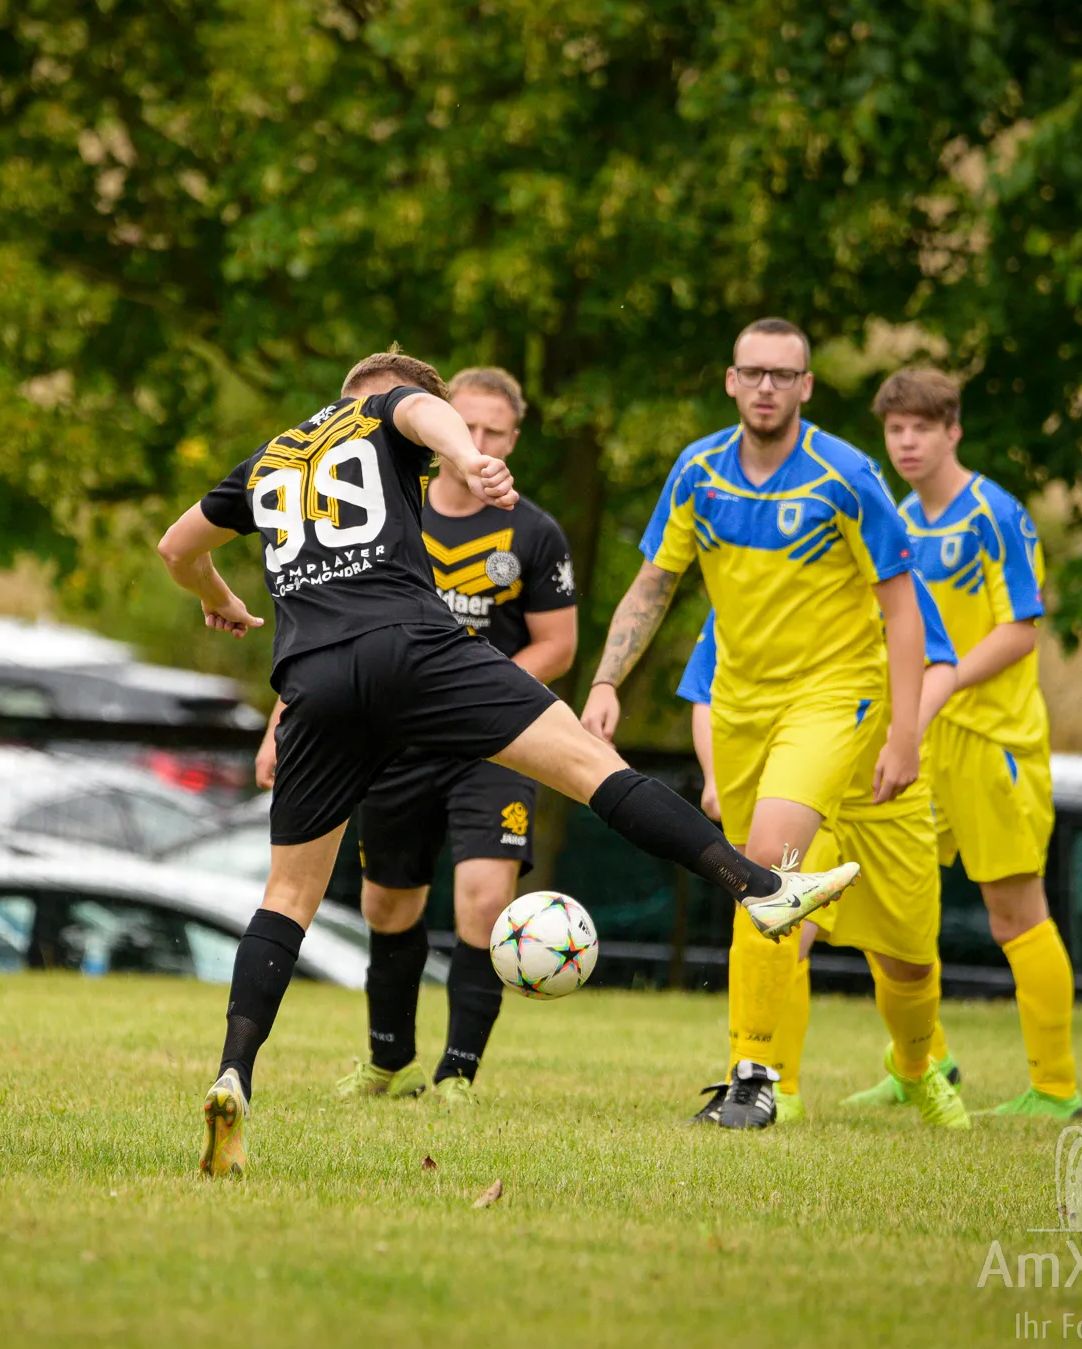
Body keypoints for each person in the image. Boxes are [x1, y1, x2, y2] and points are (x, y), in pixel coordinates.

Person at [157, 351, 856, 1176]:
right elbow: (421, 413)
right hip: (411, 647)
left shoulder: (270, 457)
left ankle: (234, 1073)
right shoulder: (388, 410)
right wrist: (465, 454)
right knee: (592, 767)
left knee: (288, 895)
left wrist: (218, 596)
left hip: (312, 677)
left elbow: (177, 546)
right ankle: (761, 887)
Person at [581, 317, 925, 1130]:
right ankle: (753, 1070)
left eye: (784, 374)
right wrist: (605, 679)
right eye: (754, 372)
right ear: (731, 381)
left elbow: (902, 607)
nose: (767, 387)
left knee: (769, 857)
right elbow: (653, 583)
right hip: (738, 702)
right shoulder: (697, 471)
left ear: (806, 386)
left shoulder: (848, 476)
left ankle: (756, 1079)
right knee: (749, 878)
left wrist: (905, 732)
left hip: (833, 694)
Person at [253, 367, 576, 1104]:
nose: (480, 440)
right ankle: (390, 1062)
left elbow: (557, 647)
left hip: (490, 742)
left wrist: (472, 696)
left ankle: (458, 1072)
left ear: (513, 439)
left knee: (483, 899)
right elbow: (324, 631)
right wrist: (280, 727)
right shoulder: (380, 504)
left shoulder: (533, 531)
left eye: (496, 431)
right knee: (387, 905)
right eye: (470, 424)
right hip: (393, 738)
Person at [681, 575, 971, 1130]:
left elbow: (942, 664)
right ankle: (771, 1081)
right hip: (802, 789)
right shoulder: (759, 577)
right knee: (780, 923)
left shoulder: (886, 572)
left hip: (888, 794)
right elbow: (705, 688)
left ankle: (914, 1065)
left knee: (911, 962)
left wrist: (904, 735)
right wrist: (715, 775)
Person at [877, 367, 1082, 1121]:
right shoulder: (897, 518)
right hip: (921, 739)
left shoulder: (995, 513)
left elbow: (1020, 629)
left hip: (993, 741)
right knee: (891, 905)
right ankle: (924, 1064)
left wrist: (941, 682)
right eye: (895, 428)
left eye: (921, 427)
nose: (907, 441)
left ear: (953, 431)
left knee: (1014, 914)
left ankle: (1056, 1088)